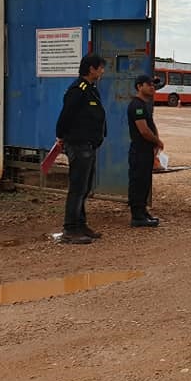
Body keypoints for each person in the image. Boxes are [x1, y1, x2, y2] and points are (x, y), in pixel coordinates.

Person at [55, 54, 107, 244]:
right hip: (78, 144)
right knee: (77, 188)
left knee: (84, 187)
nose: (102, 71)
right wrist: (61, 137)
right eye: (100, 67)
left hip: (89, 145)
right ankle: (70, 229)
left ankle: (80, 224)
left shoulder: (91, 90)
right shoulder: (78, 90)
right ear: (91, 69)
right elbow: (65, 116)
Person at [127, 74, 164, 227]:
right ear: (139, 87)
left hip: (146, 150)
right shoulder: (136, 106)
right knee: (138, 182)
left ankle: (142, 212)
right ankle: (137, 216)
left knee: (144, 182)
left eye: (153, 84)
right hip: (139, 150)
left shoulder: (144, 104)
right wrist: (158, 141)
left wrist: (154, 144)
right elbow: (144, 131)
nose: (152, 87)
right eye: (149, 84)